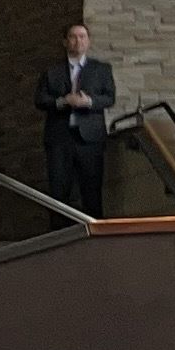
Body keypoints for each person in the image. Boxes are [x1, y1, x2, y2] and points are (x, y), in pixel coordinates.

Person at [38, 21, 115, 214]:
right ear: (65, 41)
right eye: (73, 37)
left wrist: (89, 101)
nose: (78, 41)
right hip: (60, 138)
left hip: (90, 140)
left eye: (82, 37)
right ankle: (59, 231)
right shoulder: (52, 71)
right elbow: (40, 99)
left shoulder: (101, 69)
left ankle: (93, 232)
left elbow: (109, 98)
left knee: (92, 192)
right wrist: (62, 101)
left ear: (88, 41)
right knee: (58, 193)